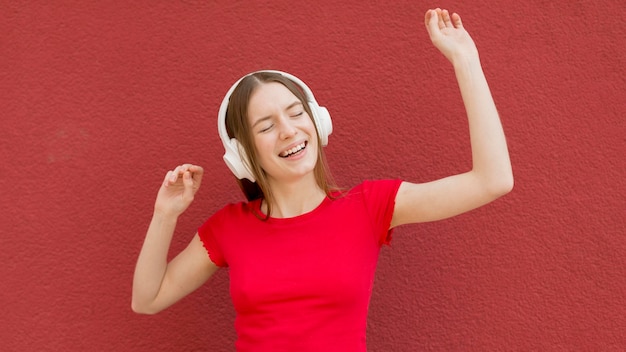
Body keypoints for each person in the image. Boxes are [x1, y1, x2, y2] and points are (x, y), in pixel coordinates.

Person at [132, 8, 513, 351]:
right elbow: (147, 300)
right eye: (266, 126)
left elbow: (493, 180)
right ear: (244, 155)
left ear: (319, 122)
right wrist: (165, 215)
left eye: (296, 113)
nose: (288, 130)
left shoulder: (370, 207)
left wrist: (466, 61)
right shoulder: (228, 228)